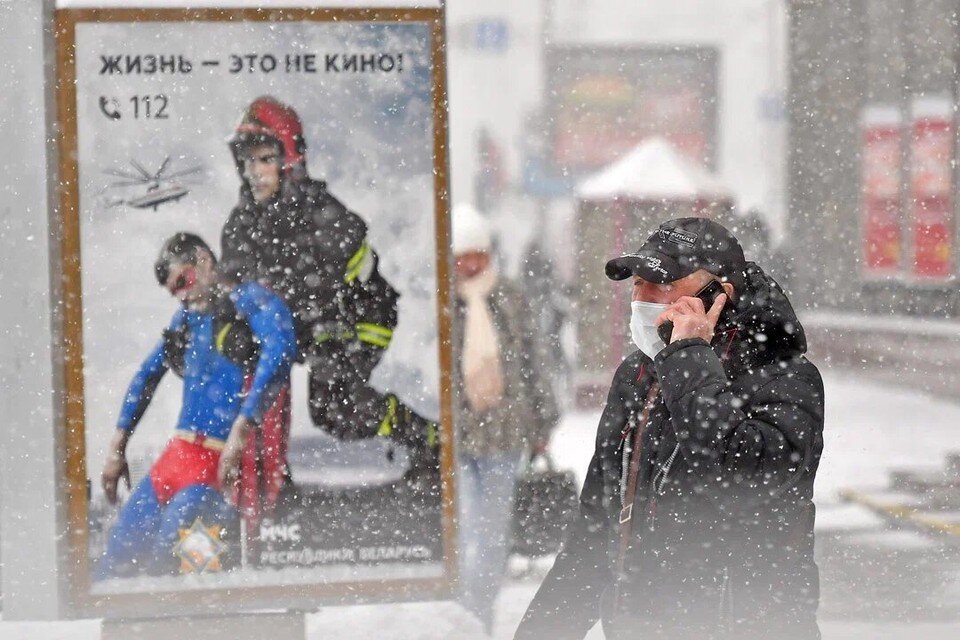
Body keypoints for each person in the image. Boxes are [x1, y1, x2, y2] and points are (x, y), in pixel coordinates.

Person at [515, 217, 824, 640]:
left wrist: (690, 355)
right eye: (637, 284)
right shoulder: (638, 375)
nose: (641, 298)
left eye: (661, 284)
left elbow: (744, 477)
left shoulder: (784, 376)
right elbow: (596, 526)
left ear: (719, 294)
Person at [219, 96, 437, 473]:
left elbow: (344, 276)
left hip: (359, 319)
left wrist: (324, 331)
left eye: (265, 158)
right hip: (299, 324)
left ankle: (423, 437)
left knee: (335, 408)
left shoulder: (324, 214)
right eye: (248, 160)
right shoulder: (241, 223)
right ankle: (263, 468)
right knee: (241, 356)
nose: (254, 170)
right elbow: (232, 287)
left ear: (289, 159)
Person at [96, 233, 297, 578]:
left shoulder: (248, 301)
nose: (183, 295)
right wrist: (118, 445)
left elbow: (280, 350)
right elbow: (147, 375)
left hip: (217, 470)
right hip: (175, 460)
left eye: (184, 281)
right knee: (114, 563)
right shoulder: (186, 319)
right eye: (174, 291)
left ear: (204, 260)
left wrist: (241, 426)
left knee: (171, 566)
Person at [452, 203, 559, 634]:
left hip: (504, 432)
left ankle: (480, 614)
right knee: (460, 534)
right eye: (463, 254)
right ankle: (461, 614)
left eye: (478, 253)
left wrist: (541, 424)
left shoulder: (510, 297)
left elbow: (534, 359)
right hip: (456, 434)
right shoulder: (440, 302)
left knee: (492, 535)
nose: (471, 263)